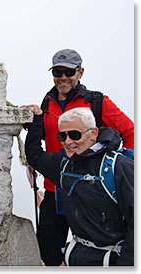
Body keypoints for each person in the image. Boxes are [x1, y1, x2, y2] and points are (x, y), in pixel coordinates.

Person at [22, 49, 134, 266]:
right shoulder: (47, 103)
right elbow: (41, 146)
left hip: (91, 190)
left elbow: (130, 133)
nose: (63, 77)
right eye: (57, 72)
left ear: (80, 72)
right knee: (48, 250)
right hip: (57, 186)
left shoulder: (97, 102)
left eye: (69, 72)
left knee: (93, 247)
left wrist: (122, 171)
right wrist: (35, 123)